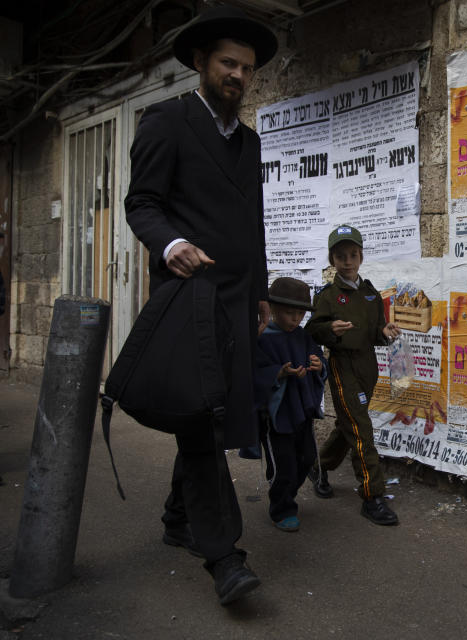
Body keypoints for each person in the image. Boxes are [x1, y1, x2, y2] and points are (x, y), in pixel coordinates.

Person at [123, 6, 277, 606]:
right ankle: (224, 556)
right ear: (200, 64)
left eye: (246, 67)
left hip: (240, 303)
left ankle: (176, 518)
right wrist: (172, 244)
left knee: (207, 413)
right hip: (191, 296)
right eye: (227, 63)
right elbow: (141, 204)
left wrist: (261, 290)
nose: (237, 74)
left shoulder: (250, 142)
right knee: (204, 417)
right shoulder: (167, 122)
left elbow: (254, 225)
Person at [305, 225, 401, 526]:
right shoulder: (328, 295)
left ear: (361, 257)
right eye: (340, 255)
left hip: (367, 365)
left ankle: (318, 466)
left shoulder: (371, 294)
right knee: (360, 427)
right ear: (332, 259)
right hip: (342, 364)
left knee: (350, 422)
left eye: (353, 255)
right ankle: (373, 496)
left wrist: (384, 333)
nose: (347, 261)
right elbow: (312, 331)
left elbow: (375, 332)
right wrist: (328, 331)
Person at [254, 277, 327, 532]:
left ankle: (286, 493)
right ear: (273, 309)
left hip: (301, 411)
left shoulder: (303, 336)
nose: (295, 319)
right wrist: (279, 373)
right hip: (277, 416)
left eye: (300, 314)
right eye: (289, 313)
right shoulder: (263, 339)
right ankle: (281, 508)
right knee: (284, 463)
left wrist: (319, 365)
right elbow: (255, 374)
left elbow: (318, 358)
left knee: (306, 458)